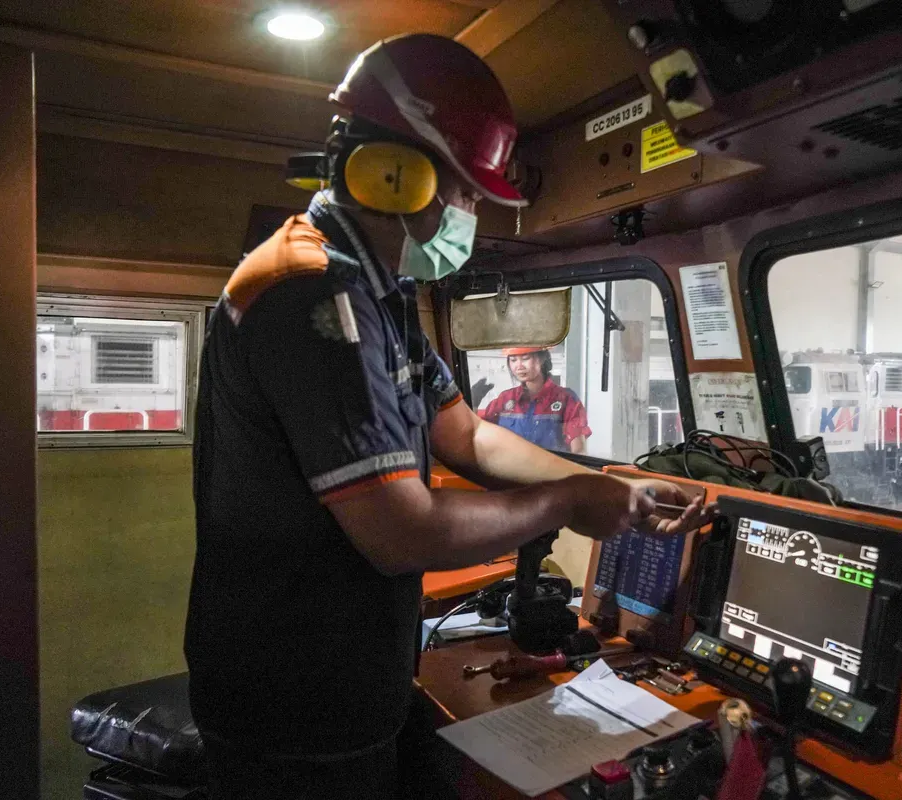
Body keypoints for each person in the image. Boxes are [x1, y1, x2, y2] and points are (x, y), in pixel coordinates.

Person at [185, 33, 709, 800]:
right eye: (467, 192)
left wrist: (606, 483)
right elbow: (401, 534)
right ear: (397, 178)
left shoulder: (379, 292)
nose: (471, 214)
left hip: (340, 677)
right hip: (295, 701)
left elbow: (463, 433)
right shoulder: (313, 296)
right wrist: (565, 503)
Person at [479, 346, 591, 453]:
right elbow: (475, 429)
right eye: (513, 360)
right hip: (508, 471)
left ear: (542, 359)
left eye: (525, 358)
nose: (519, 366)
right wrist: (474, 401)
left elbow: (579, 451)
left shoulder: (566, 399)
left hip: (550, 471)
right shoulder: (505, 399)